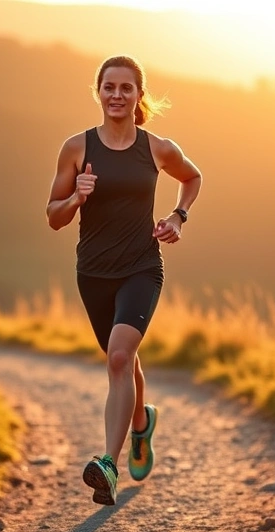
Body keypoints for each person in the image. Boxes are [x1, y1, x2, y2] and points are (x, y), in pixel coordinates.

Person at [45, 55, 202, 506]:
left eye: (126, 88)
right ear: (99, 92)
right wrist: (76, 196)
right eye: (109, 87)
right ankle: (141, 425)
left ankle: (108, 466)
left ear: (138, 96)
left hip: (140, 268)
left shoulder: (156, 148)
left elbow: (192, 177)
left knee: (117, 358)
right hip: (92, 273)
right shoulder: (76, 148)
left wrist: (178, 215)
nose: (116, 95)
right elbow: (53, 217)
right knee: (125, 363)